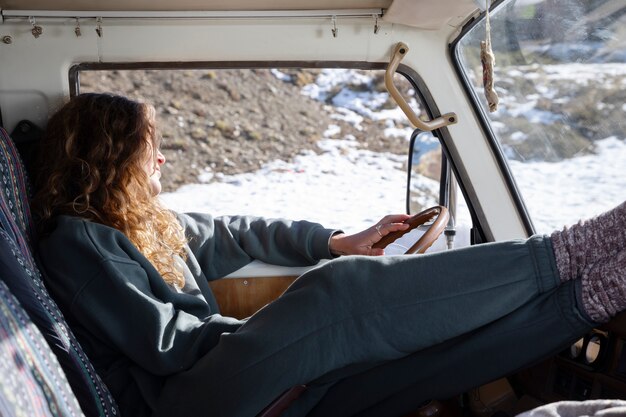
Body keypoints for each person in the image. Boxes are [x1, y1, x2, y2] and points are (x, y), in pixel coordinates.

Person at [33, 93, 626, 417]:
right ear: (108, 160)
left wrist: (332, 242)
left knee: (415, 362)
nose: (160, 161)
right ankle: (572, 249)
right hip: (183, 399)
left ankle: (586, 296)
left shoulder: (144, 222)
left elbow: (235, 232)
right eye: (148, 149)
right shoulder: (78, 243)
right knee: (333, 293)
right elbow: (169, 346)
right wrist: (275, 338)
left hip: (213, 376)